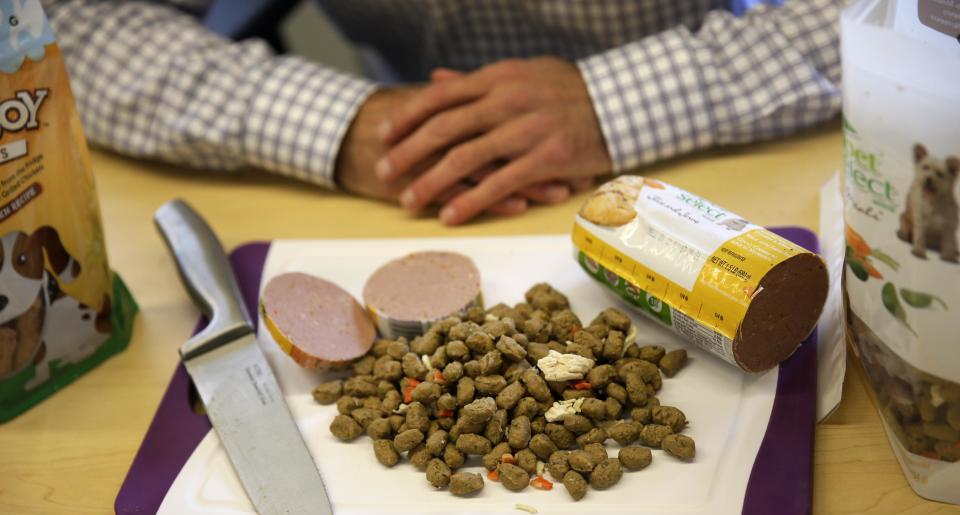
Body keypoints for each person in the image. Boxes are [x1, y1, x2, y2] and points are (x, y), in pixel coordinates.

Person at [43, 0, 844, 225]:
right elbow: (65, 23)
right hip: (406, 174)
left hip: (707, 153)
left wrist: (618, 101)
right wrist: (337, 122)